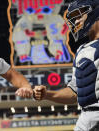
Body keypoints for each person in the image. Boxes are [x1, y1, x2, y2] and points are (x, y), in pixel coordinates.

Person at [16, 0, 99, 130]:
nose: (76, 22)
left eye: (79, 15)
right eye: (74, 18)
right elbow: (74, 93)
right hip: (85, 118)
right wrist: (47, 94)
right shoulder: (81, 50)